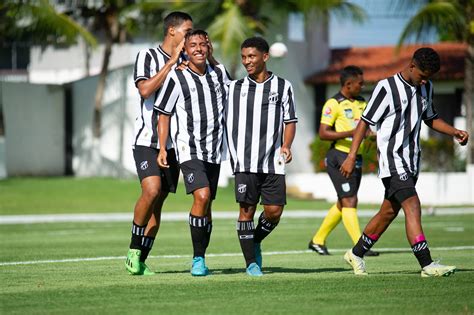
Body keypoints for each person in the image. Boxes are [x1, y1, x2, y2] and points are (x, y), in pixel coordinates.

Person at [340, 47, 469, 277]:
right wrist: (351, 156)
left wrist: (454, 131)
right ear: (411, 66)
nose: (424, 81)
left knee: (388, 213)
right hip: (392, 160)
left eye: (428, 78)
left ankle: (356, 253)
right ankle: (427, 264)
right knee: (413, 205)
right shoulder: (386, 88)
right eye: (422, 75)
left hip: (411, 161)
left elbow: (430, 118)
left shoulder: (426, 87)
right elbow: (364, 122)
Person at [155, 29, 231, 276]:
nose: (198, 48)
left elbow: (232, 93)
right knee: (202, 196)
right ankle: (197, 259)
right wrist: (162, 147)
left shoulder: (219, 73)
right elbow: (163, 113)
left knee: (206, 205)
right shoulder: (176, 78)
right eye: (193, 45)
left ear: (208, 48)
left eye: (202, 44)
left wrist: (213, 57)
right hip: (189, 149)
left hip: (214, 151)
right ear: (185, 51)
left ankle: (202, 256)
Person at [125, 11, 193, 276]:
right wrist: (172, 63)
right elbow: (144, 90)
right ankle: (132, 249)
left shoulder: (190, 60)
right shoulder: (148, 56)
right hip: (147, 140)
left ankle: (141, 258)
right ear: (172, 31)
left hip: (176, 144)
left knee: (159, 203)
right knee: (151, 190)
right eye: (188, 31)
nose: (191, 35)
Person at [226, 37, 298, 276]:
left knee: (274, 212)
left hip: (273, 161)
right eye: (244, 57)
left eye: (252, 57)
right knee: (246, 211)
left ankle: (254, 240)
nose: (247, 61)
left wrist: (286, 145)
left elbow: (290, 121)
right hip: (244, 161)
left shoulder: (283, 87)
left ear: (265, 57)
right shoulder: (233, 88)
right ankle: (251, 262)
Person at [308, 66, 378, 257]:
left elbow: (365, 128)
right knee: (350, 200)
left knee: (343, 201)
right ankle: (360, 245)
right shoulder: (334, 103)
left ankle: (317, 240)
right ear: (348, 84)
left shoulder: (362, 102)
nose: (362, 86)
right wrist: (352, 133)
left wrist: (369, 136)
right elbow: (323, 133)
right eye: (360, 83)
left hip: (356, 157)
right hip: (339, 156)